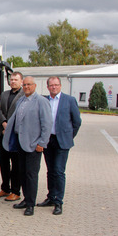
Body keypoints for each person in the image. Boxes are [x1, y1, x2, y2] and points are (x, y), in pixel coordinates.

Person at [2, 76, 53, 216]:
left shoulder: (42, 101)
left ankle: (30, 204)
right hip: (20, 143)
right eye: (24, 85)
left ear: (35, 86)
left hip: (33, 145)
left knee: (31, 175)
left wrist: (42, 143)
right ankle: (25, 199)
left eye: (29, 85)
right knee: (22, 173)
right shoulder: (21, 100)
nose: (26, 87)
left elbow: (47, 124)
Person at [38, 76, 82, 215]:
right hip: (48, 140)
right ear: (47, 87)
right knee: (50, 170)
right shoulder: (43, 100)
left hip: (62, 141)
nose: (54, 87)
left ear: (60, 86)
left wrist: (68, 136)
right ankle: (50, 197)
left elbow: (77, 122)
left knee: (58, 170)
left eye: (56, 85)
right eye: (51, 85)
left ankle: (58, 202)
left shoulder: (69, 100)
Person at [0, 72, 23, 201]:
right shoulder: (4, 94)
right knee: (3, 162)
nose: (13, 81)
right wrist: (3, 123)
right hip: (3, 133)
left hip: (16, 136)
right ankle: (5, 188)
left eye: (16, 79)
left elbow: (21, 114)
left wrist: (9, 127)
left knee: (16, 164)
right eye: (11, 79)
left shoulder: (24, 95)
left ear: (21, 81)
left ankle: (16, 191)